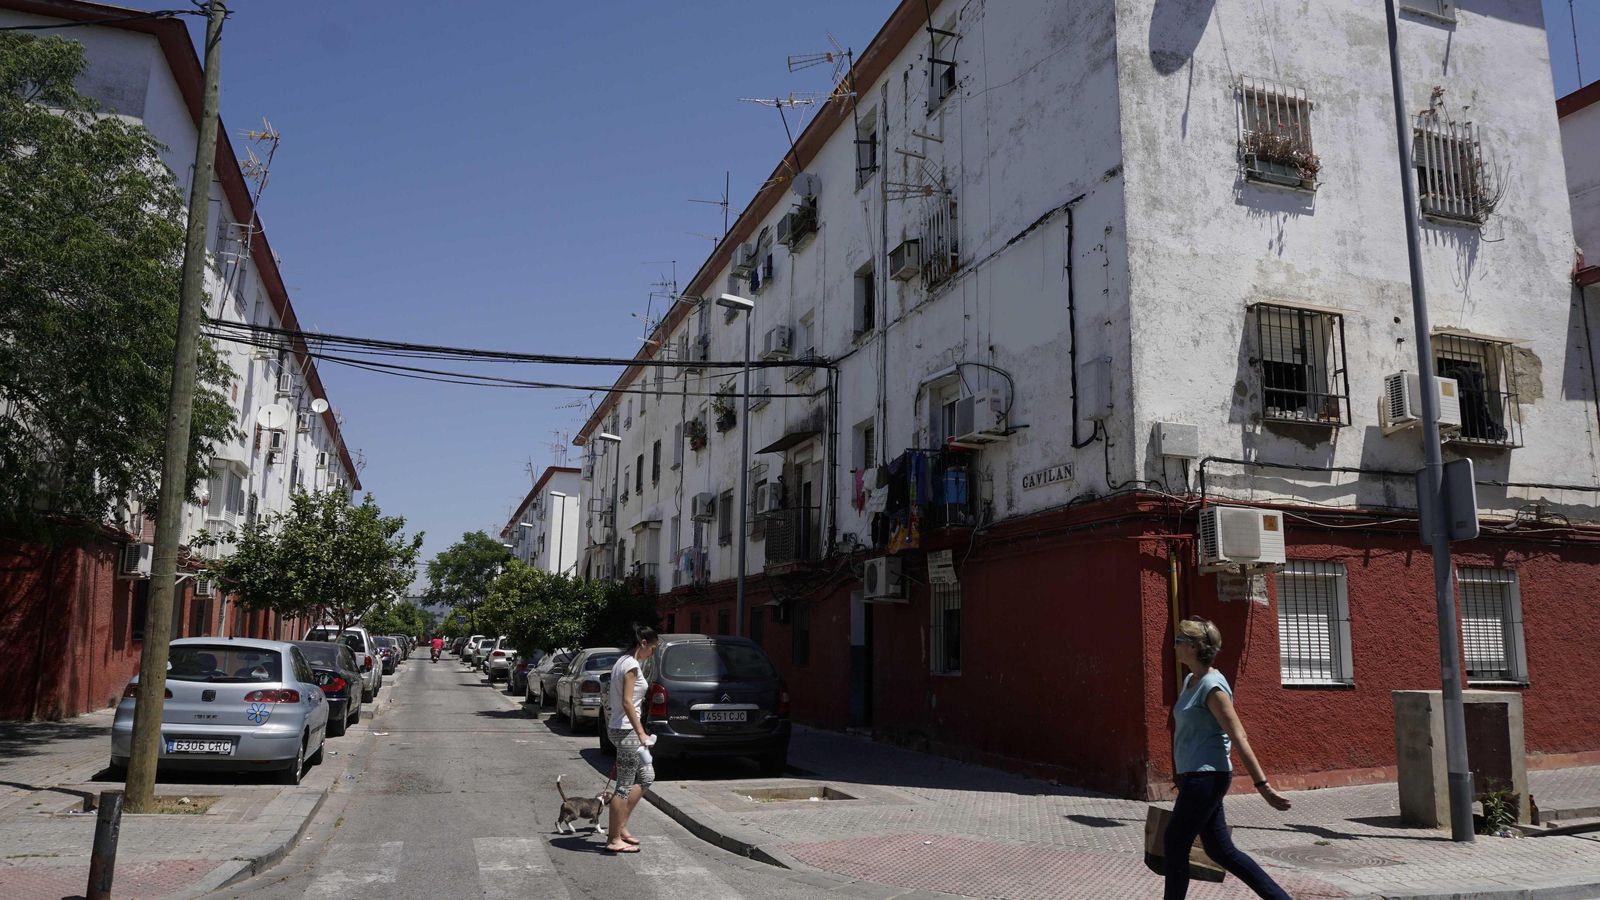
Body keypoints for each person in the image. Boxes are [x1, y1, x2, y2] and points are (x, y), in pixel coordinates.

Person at [1165, 617, 1292, 900]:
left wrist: (1263, 787)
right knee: (1220, 850)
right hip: (1194, 778)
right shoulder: (1190, 680)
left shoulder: (1213, 686)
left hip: (1206, 777)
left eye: (1179, 641)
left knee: (1174, 843)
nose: (1174, 646)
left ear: (1196, 647)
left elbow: (1239, 736)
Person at [605, 624, 659, 853]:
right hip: (627, 731)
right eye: (653, 648)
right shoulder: (631, 666)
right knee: (624, 786)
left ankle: (621, 826)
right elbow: (627, 702)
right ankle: (613, 838)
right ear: (644, 643)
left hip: (624, 729)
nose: (652, 654)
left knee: (647, 775)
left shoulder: (623, 662)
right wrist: (641, 733)